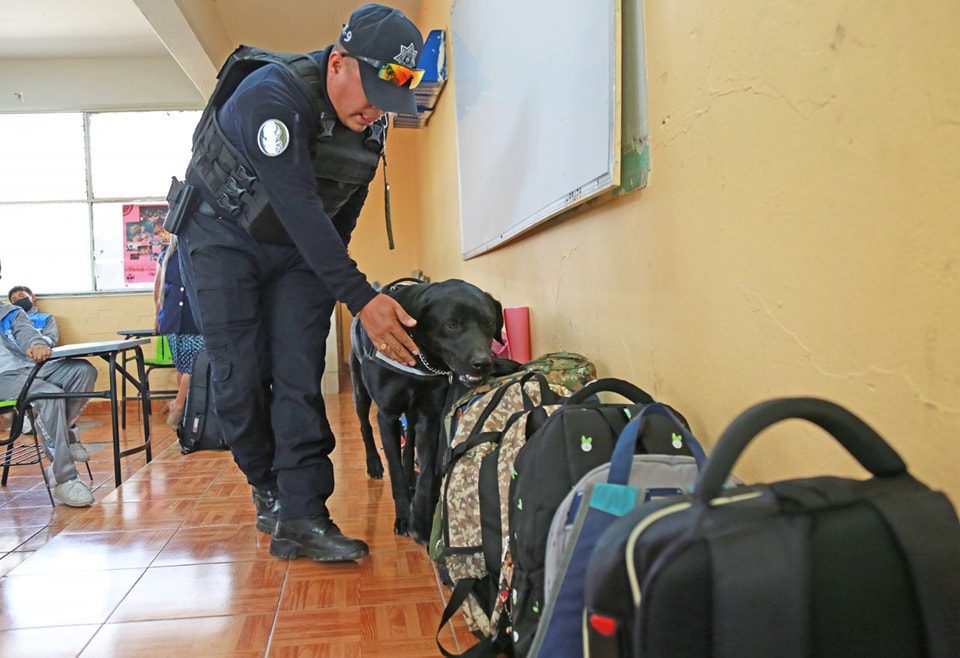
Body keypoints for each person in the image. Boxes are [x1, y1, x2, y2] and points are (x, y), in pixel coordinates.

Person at [175, 4, 425, 562]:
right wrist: (362, 299)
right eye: (374, 97)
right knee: (241, 375)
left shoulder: (368, 128)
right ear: (338, 62)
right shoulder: (275, 97)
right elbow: (298, 206)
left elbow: (340, 213)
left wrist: (334, 278)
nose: (376, 114)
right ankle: (266, 484)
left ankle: (304, 514)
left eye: (390, 103)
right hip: (221, 239)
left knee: (298, 374)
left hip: (296, 251)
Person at [0, 262, 97, 506]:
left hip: (30, 368)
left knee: (82, 371)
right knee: (50, 395)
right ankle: (65, 479)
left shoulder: (9, 311)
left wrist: (37, 344)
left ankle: (59, 433)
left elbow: (26, 334)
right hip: (4, 379)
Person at [153, 236, 205, 429]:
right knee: (190, 369)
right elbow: (158, 289)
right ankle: (179, 407)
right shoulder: (169, 255)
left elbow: (157, 289)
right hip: (181, 319)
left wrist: (158, 315)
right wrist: (158, 315)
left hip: (176, 318)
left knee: (187, 369)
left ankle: (180, 406)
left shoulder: (168, 255)